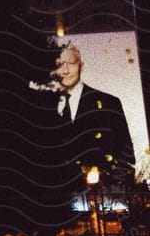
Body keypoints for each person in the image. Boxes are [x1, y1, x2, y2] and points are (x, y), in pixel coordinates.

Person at [51, 44, 136, 183]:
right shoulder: (43, 106)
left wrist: (113, 187)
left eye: (71, 64)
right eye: (60, 65)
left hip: (102, 193)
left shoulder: (109, 103)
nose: (65, 70)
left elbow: (125, 151)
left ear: (81, 66)